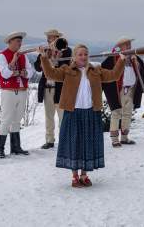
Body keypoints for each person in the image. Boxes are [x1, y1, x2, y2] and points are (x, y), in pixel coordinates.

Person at [39, 44, 126, 188]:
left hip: (91, 113)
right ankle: (74, 176)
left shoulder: (96, 71)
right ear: (74, 57)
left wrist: (121, 59)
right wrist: (43, 58)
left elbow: (114, 75)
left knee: (88, 144)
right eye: (80, 54)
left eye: (85, 54)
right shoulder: (67, 70)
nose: (83, 57)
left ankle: (84, 175)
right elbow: (50, 74)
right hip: (72, 113)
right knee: (74, 143)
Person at [102, 37, 144, 147]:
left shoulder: (134, 58)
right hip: (118, 90)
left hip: (131, 89)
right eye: (127, 44)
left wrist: (137, 63)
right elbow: (105, 71)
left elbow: (142, 70)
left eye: (129, 44)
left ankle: (125, 137)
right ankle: (114, 139)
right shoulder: (112, 58)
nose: (129, 46)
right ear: (120, 46)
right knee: (116, 113)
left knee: (127, 113)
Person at [0, 32, 34, 158]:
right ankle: (0, 149)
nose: (20, 43)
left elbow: (31, 71)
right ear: (10, 42)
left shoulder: (24, 56)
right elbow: (5, 73)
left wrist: (25, 73)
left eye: (20, 41)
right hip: (9, 92)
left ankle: (16, 148)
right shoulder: (2, 56)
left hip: (22, 91)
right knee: (6, 119)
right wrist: (13, 62)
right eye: (17, 41)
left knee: (17, 120)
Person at [34, 29, 72, 149]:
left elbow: (66, 66)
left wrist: (56, 57)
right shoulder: (46, 51)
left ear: (58, 38)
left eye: (53, 37)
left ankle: (64, 140)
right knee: (49, 116)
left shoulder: (66, 50)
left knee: (62, 116)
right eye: (50, 38)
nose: (51, 39)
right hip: (47, 88)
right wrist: (42, 55)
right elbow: (37, 68)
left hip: (60, 88)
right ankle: (49, 140)